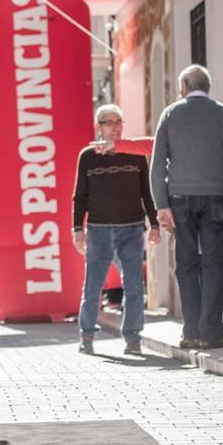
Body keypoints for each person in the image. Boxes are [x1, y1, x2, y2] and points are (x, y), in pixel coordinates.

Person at [151, 65, 223, 350]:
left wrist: (162, 205)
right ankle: (210, 333)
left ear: (184, 85)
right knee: (214, 265)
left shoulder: (170, 114)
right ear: (207, 86)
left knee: (186, 265)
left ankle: (191, 332)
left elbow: (157, 166)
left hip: (180, 199)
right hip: (216, 199)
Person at [72, 104, 160, 355]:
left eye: (119, 122)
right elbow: (80, 196)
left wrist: (154, 224)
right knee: (92, 287)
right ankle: (86, 335)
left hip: (131, 230)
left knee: (133, 286)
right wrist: (77, 229)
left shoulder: (135, 153)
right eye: (110, 122)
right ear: (99, 127)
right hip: (98, 231)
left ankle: (133, 339)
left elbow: (147, 192)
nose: (116, 127)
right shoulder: (87, 155)